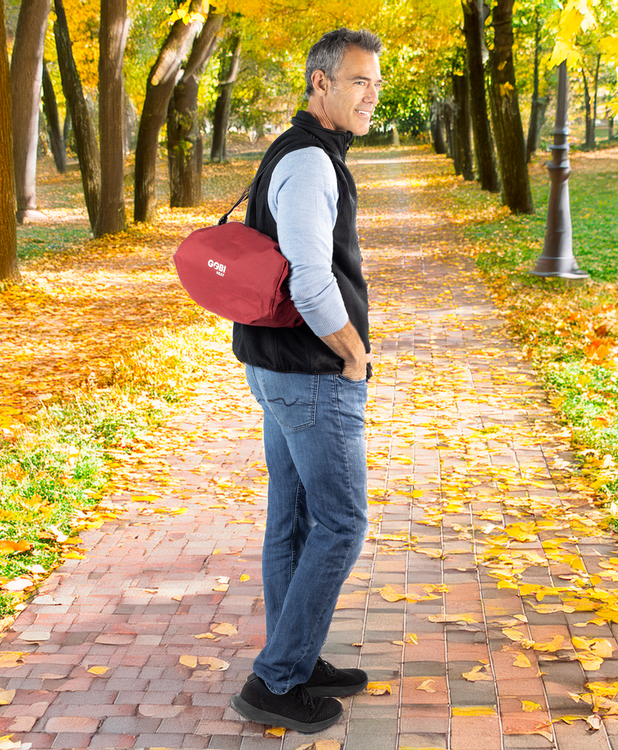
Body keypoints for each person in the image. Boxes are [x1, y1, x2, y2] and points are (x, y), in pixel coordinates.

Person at [230, 28, 382, 733]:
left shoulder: (302, 152)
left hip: (279, 368)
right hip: (311, 375)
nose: (371, 94)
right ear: (319, 84)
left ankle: (296, 654)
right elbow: (312, 279)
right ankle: (277, 681)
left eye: (375, 82)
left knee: (291, 522)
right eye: (357, 81)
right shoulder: (312, 163)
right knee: (343, 522)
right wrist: (352, 353)